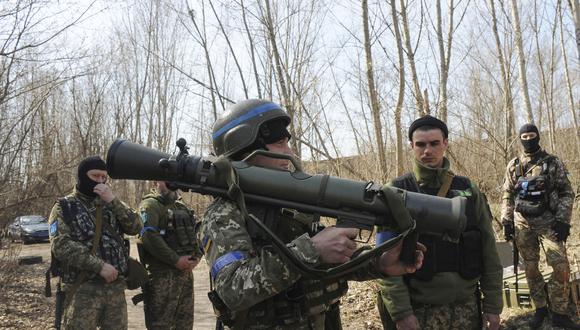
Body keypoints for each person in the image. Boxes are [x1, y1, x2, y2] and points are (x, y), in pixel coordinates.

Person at [199, 99, 425, 329]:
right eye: (279, 143)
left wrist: (378, 263)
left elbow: (325, 264)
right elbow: (232, 289)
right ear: (245, 149)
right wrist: (312, 248)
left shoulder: (288, 201)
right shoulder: (224, 212)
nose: (289, 152)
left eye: (287, 142)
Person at [376, 115, 503, 330]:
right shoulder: (395, 192)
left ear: (445, 143)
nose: (427, 151)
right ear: (411, 146)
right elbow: (384, 260)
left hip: (467, 309)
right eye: (421, 145)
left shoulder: (469, 189)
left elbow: (488, 250)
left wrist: (493, 304)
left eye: (434, 143)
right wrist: (402, 313)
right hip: (419, 311)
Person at [48, 155, 142, 329]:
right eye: (95, 176)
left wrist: (113, 201)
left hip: (114, 289)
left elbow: (136, 227)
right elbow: (60, 245)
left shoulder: (111, 203)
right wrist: (99, 266)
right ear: (83, 176)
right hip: (82, 289)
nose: (100, 181)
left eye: (103, 177)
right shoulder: (64, 207)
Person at [501, 123, 577, 329]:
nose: (528, 139)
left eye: (531, 135)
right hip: (522, 226)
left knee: (561, 268)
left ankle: (559, 312)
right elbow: (507, 194)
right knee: (531, 269)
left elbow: (567, 192)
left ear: (538, 136)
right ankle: (540, 308)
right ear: (519, 138)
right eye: (524, 136)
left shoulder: (552, 163)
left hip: (550, 224)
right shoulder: (514, 165)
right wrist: (506, 221)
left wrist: (563, 220)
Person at [138, 181, 202, 329]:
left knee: (184, 324)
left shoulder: (181, 206)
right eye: (164, 180)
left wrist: (197, 256)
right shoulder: (150, 206)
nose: (170, 183)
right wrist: (176, 260)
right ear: (156, 182)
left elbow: (194, 233)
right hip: (162, 278)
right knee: (161, 325)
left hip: (185, 276)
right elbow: (149, 236)